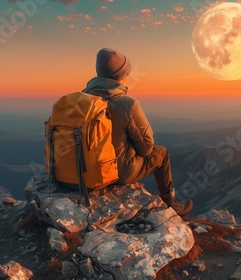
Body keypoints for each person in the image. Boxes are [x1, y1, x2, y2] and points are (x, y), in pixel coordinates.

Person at [82, 48, 193, 217]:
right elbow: (146, 148)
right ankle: (171, 203)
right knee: (161, 153)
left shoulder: (80, 100)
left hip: (80, 169)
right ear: (122, 76)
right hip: (115, 173)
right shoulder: (127, 104)